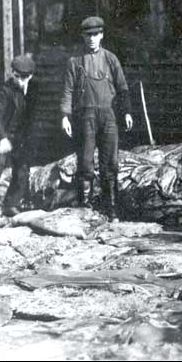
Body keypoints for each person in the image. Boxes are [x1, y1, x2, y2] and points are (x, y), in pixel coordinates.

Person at [60, 16, 133, 222]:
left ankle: (111, 209)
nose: (92, 39)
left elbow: (123, 87)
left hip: (109, 116)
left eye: (95, 35)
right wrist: (65, 116)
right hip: (85, 118)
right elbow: (67, 90)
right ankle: (85, 206)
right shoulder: (75, 62)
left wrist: (126, 111)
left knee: (110, 162)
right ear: (83, 36)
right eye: (88, 35)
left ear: (101, 35)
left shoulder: (111, 58)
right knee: (85, 161)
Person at [0, 55, 38, 216]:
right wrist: (2, 138)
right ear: (12, 73)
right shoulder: (4, 91)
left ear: (31, 76)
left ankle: (10, 204)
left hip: (20, 137)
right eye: (17, 77)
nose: (21, 81)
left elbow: (30, 115)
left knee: (22, 170)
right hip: (4, 135)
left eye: (25, 77)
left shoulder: (33, 89)